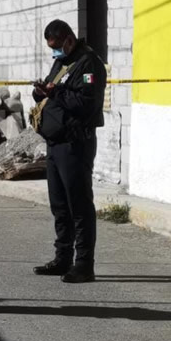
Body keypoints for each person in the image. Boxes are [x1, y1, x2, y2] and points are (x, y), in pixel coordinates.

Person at [31, 20, 107, 283]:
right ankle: (62, 258)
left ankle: (84, 264)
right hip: (55, 143)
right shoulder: (62, 63)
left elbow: (87, 103)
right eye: (51, 49)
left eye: (56, 47)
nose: (54, 52)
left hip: (75, 143)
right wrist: (41, 92)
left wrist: (56, 94)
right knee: (60, 206)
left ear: (68, 39)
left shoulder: (88, 64)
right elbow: (54, 92)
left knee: (79, 206)